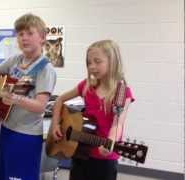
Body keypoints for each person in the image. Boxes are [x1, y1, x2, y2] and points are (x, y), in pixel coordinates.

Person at [0, 13, 56, 180]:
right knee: (3, 175)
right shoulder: (15, 60)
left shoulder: (45, 69)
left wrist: (16, 99)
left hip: (27, 135)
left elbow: (40, 106)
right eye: (21, 34)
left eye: (30, 33)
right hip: (7, 128)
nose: (24, 38)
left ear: (42, 37)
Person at [50, 40, 134, 180]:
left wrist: (110, 142)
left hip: (105, 159)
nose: (92, 66)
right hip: (81, 152)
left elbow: (117, 124)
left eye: (97, 61)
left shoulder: (122, 93)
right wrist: (55, 124)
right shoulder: (87, 86)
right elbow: (59, 100)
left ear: (112, 62)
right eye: (89, 63)